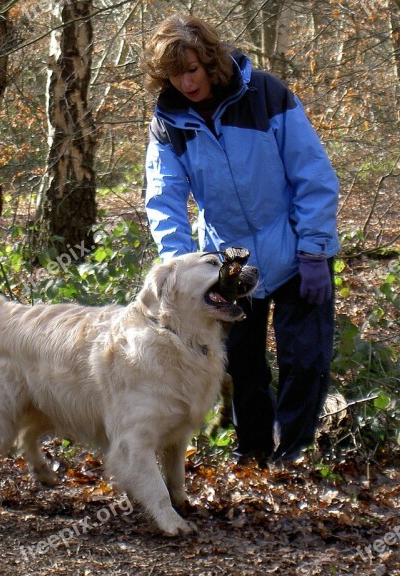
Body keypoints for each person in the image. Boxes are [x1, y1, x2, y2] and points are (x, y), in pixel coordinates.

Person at [141, 14, 340, 464]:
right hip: (228, 262)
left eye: (192, 69)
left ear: (210, 61)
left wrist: (313, 249)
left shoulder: (266, 95)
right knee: (244, 365)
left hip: (295, 250)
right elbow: (164, 197)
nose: (186, 82)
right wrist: (179, 268)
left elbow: (313, 175)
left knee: (304, 361)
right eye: (175, 74)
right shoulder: (168, 120)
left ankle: (295, 454)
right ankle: (253, 453)